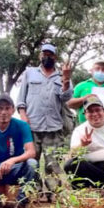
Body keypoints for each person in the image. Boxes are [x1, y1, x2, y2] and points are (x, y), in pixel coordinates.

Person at [16, 43, 72, 198]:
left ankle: (53, 194)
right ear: (40, 55)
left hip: (54, 127)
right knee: (31, 162)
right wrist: (23, 116)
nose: (47, 56)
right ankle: (35, 193)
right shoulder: (29, 73)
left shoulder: (61, 76)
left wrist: (66, 79)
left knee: (52, 164)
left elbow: (66, 97)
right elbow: (21, 99)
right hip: (31, 126)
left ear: (55, 57)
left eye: (51, 54)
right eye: (44, 53)